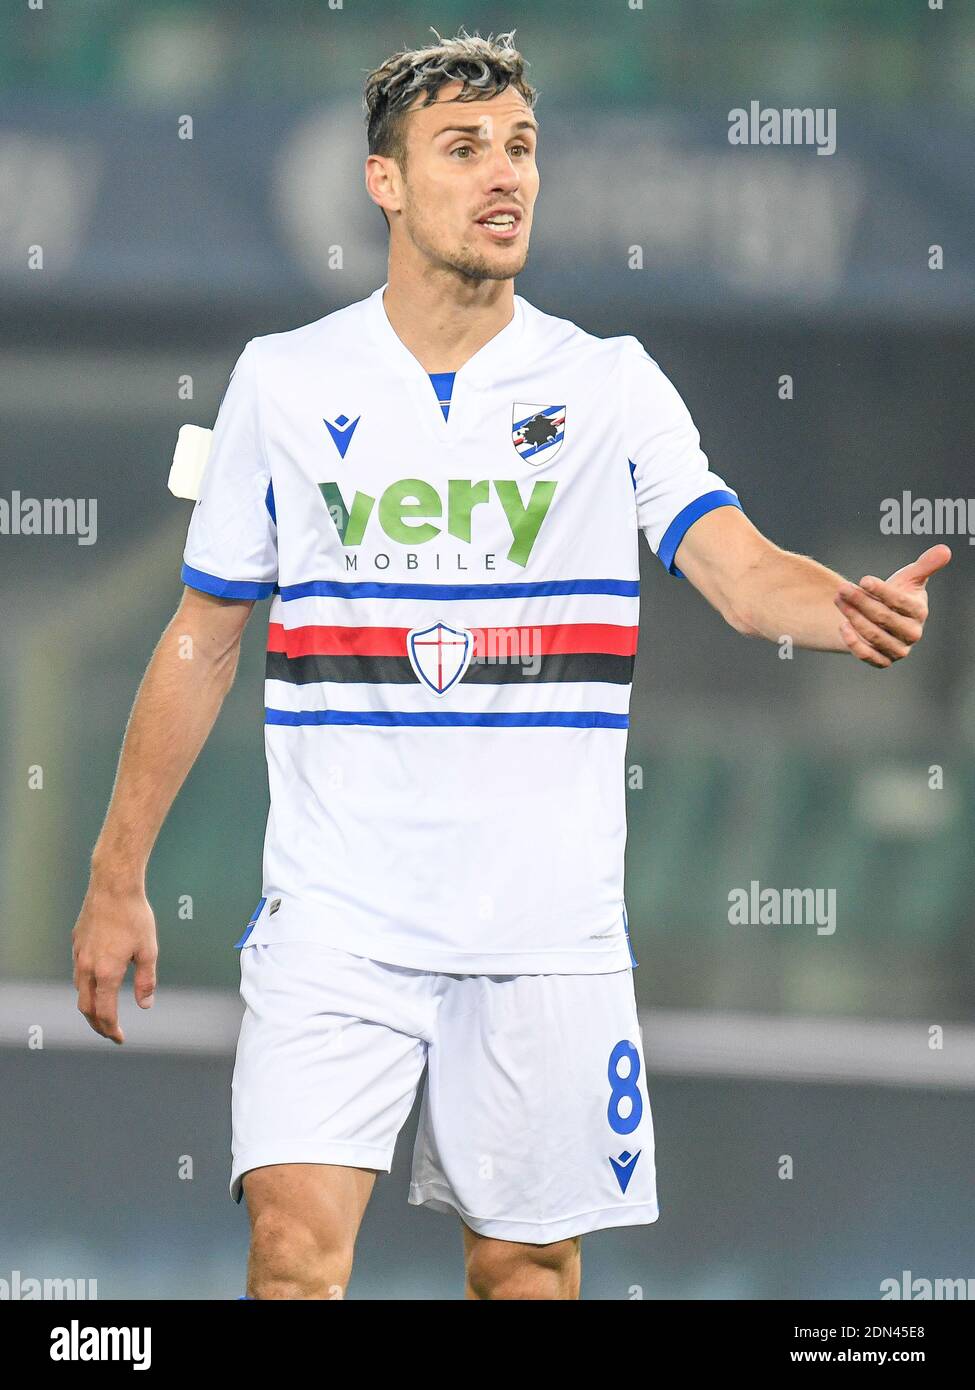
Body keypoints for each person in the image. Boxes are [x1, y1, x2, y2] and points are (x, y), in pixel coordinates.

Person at [72, 29, 950, 1300]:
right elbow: (204, 636)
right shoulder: (284, 381)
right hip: (336, 919)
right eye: (465, 147)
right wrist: (116, 873)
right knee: (292, 1258)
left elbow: (733, 561)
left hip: (546, 932)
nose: (505, 176)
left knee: (526, 1272)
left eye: (523, 148)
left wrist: (843, 609)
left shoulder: (609, 386)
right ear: (384, 180)